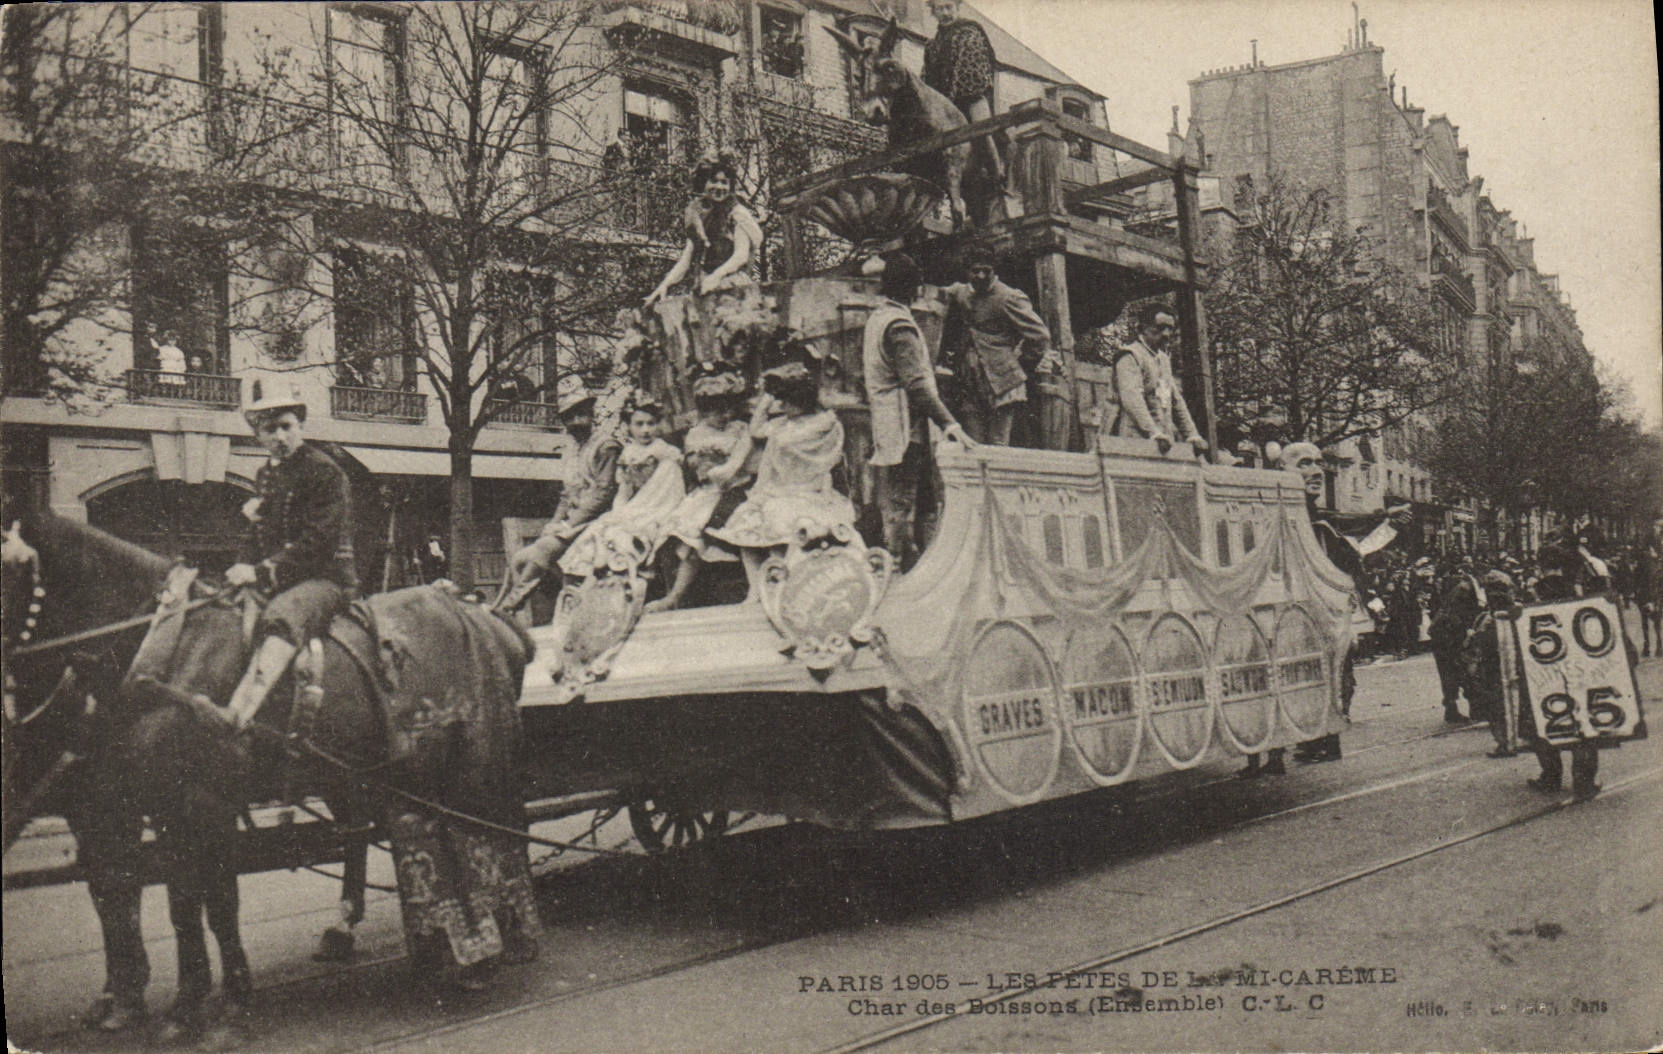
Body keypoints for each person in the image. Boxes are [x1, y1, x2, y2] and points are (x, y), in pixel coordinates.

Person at [205, 385, 357, 731]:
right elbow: (260, 535)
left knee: (282, 617)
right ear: (258, 436)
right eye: (270, 430)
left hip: (326, 579)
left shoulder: (324, 471)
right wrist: (240, 566)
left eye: (287, 426)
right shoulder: (266, 476)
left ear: (300, 425)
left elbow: (320, 540)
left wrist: (261, 571)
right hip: (283, 578)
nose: (280, 436)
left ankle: (239, 715)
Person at [1283, 441, 1410, 763]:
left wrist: (1383, 518)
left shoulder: (1316, 520)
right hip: (1304, 614)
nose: (1316, 471)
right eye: (1303, 464)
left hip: (1324, 615)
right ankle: (1319, 739)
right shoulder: (1293, 515)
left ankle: (1325, 740)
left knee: (1332, 675)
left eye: (1317, 463)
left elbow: (1345, 533)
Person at [863, 251, 975, 568]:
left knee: (906, 498)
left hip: (888, 420)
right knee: (903, 501)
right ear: (914, 289)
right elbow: (915, 385)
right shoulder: (900, 327)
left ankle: (908, 561)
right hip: (905, 425)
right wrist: (950, 424)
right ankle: (898, 567)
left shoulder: (878, 318)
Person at [707, 360, 857, 598]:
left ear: (800, 401)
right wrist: (767, 402)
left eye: (785, 400)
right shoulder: (786, 424)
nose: (781, 405)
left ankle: (782, 587)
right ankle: (757, 588)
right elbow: (756, 430)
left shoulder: (817, 426)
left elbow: (767, 434)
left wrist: (769, 408)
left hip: (809, 491)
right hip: (781, 490)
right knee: (747, 525)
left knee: (776, 524)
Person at [501, 386, 624, 608]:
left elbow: (603, 493)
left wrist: (569, 524)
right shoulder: (571, 450)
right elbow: (567, 495)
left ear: (591, 416)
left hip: (601, 516)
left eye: (582, 415)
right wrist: (554, 523)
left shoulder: (606, 446)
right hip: (575, 519)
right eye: (570, 418)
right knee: (521, 558)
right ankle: (532, 594)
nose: (577, 422)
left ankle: (516, 597)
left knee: (544, 549)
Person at [646, 364, 754, 613]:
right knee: (680, 528)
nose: (722, 416)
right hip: (707, 490)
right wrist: (702, 463)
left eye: (726, 409)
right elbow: (698, 469)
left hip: (738, 488)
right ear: (705, 412)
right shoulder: (696, 434)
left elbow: (742, 462)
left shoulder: (740, 429)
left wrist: (722, 462)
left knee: (708, 528)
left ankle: (733, 590)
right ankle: (675, 595)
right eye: (715, 411)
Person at [941, 244, 1057, 446]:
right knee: (972, 443)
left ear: (994, 271)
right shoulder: (962, 293)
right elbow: (942, 294)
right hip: (971, 380)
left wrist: (1020, 361)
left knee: (998, 444)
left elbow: (1040, 336)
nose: (980, 275)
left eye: (986, 270)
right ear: (967, 271)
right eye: (974, 270)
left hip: (1003, 382)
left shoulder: (1008, 297)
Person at [557, 395, 683, 581]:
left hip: (659, 507)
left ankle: (628, 579)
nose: (645, 430)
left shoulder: (664, 453)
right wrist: (619, 513)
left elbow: (667, 490)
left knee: (626, 536)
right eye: (639, 424)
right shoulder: (628, 453)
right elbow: (624, 491)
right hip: (634, 508)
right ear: (628, 427)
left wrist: (638, 512)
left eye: (651, 424)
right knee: (600, 530)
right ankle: (596, 583)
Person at [645, 154, 764, 306]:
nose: (719, 188)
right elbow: (686, 260)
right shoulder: (700, 216)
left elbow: (740, 256)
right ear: (703, 183)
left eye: (724, 182)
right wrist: (663, 286)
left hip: (733, 284)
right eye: (713, 181)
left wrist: (715, 277)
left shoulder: (738, 213)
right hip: (707, 283)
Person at [1107, 302, 1208, 457]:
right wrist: (1154, 432)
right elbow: (1132, 399)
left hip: (1160, 442)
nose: (1166, 334)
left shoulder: (1163, 360)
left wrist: (1192, 435)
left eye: (1170, 329)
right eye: (1160, 328)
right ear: (1142, 329)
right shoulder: (1130, 356)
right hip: (1129, 439)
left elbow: (1175, 401)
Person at [922, 0, 1004, 186]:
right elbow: (926, 75)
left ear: (957, 8)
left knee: (981, 129)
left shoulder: (970, 32)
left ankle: (997, 174)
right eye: (939, 9)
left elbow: (970, 66)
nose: (945, 13)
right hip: (944, 103)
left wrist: (951, 97)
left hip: (971, 95)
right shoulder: (932, 45)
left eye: (948, 7)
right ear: (933, 12)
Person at [1463, 569, 1517, 758]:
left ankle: (1505, 742)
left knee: (1497, 706)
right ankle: (1508, 740)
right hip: (1504, 665)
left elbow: (1478, 643)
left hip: (1495, 666)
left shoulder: (1489, 618)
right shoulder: (1513, 612)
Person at [1428, 556, 1483, 723]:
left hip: (1443, 635)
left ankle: (1454, 708)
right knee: (1463, 671)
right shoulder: (1466, 590)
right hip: (1449, 636)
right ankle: (1472, 709)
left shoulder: (1461, 588)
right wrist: (1467, 633)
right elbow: (1458, 616)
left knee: (1450, 673)